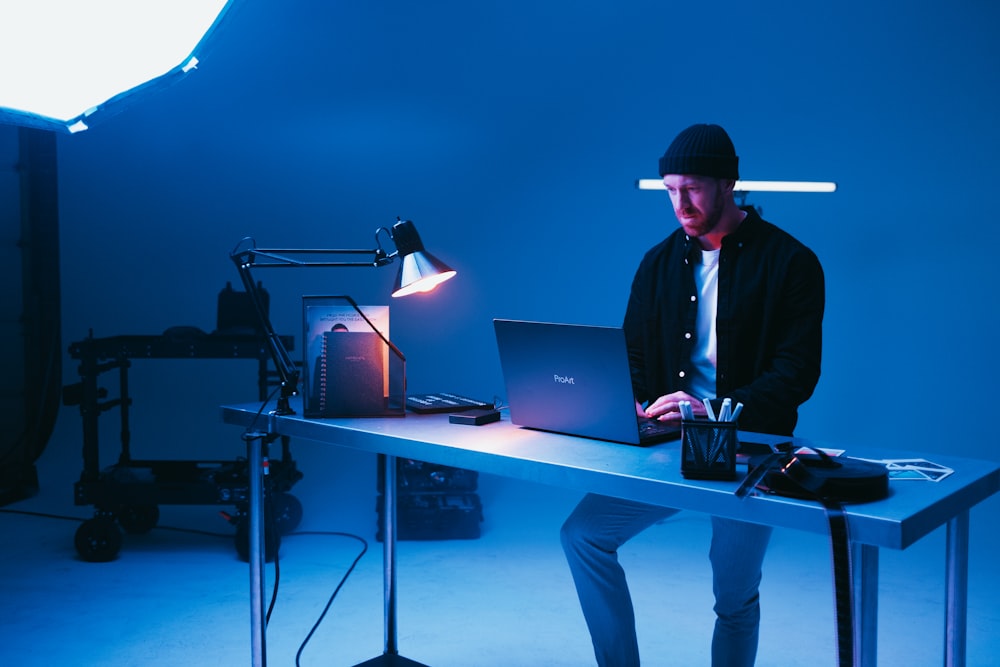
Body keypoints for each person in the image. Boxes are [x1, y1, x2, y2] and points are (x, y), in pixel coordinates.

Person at [560, 123, 825, 666]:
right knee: (583, 535)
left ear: (729, 183)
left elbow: (795, 374)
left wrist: (708, 411)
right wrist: (629, 404)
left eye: (693, 188)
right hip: (666, 446)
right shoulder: (657, 262)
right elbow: (632, 354)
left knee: (733, 599)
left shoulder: (792, 262)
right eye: (670, 190)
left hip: (750, 449)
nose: (680, 203)